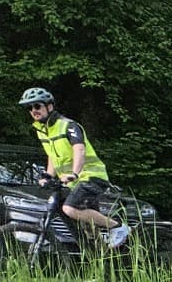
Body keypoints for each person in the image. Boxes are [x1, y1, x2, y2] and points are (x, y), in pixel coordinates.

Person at [19, 87, 131, 249]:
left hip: (91, 176)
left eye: (37, 106)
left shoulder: (67, 125)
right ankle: (102, 259)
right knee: (87, 230)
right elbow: (52, 155)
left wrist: (74, 173)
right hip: (75, 182)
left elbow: (79, 149)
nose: (33, 111)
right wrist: (48, 175)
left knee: (69, 209)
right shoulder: (42, 130)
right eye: (29, 108)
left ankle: (117, 227)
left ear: (49, 106)